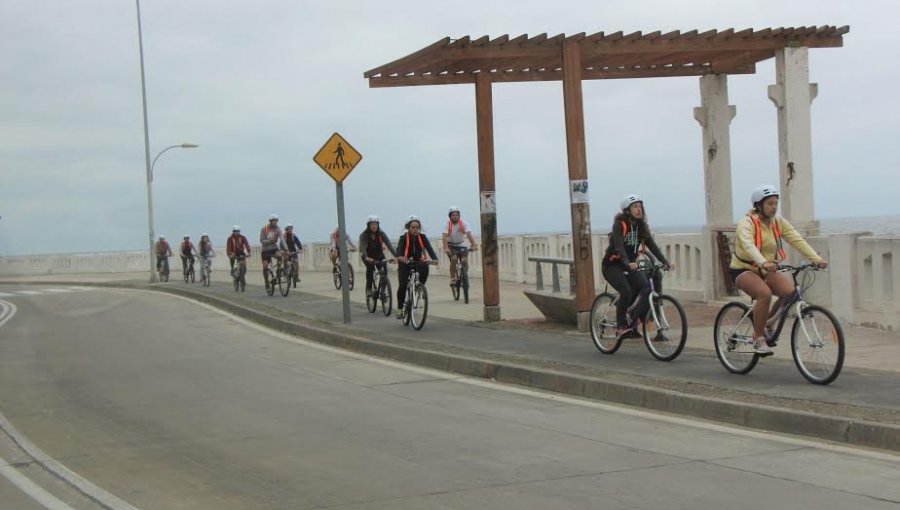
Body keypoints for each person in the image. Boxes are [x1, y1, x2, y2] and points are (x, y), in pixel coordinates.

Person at [730, 185, 828, 355]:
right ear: (758, 205)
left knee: (790, 294)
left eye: (776, 203)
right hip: (743, 269)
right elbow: (748, 244)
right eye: (769, 203)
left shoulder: (778, 222)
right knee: (764, 294)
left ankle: (767, 322)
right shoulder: (746, 223)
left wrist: (816, 259)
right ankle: (758, 339)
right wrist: (763, 262)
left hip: (766, 268)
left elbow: (796, 239)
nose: (774, 207)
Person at [601, 194, 674, 338]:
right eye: (635, 207)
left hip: (632, 265)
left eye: (640, 206)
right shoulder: (620, 224)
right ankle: (621, 325)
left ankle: (635, 318)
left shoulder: (641, 227)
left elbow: (652, 246)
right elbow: (620, 247)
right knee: (626, 291)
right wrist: (627, 263)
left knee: (646, 286)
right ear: (627, 210)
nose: (639, 209)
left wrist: (665, 262)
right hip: (613, 265)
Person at [395, 217, 439, 318]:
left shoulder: (422, 237)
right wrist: (400, 257)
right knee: (403, 285)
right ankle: (400, 308)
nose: (415, 229)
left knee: (425, 266)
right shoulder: (403, 237)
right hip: (404, 262)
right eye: (413, 227)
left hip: (417, 260)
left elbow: (429, 248)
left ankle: (420, 287)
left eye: (417, 227)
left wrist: (435, 259)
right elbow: (399, 250)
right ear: (408, 228)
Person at [358, 215, 397, 297]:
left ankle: (382, 290)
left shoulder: (381, 233)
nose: (374, 226)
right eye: (372, 224)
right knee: (370, 268)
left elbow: (389, 245)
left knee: (384, 271)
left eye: (376, 224)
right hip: (368, 256)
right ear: (368, 225)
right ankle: (369, 288)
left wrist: (397, 256)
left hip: (379, 255)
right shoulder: (364, 235)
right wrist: (366, 257)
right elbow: (363, 247)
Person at [442, 206, 478, 286]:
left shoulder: (463, 223)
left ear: (459, 216)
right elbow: (444, 236)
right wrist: (446, 248)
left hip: (461, 244)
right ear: (450, 216)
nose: (455, 217)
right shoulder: (447, 224)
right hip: (451, 245)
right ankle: (453, 278)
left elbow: (468, 234)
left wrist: (473, 244)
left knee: (464, 260)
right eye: (453, 215)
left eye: (456, 215)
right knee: (454, 259)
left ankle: (464, 275)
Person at [259, 214, 283, 290]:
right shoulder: (264, 229)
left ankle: (279, 271)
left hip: (274, 249)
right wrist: (270, 241)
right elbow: (262, 241)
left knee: (280, 256)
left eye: (276, 221)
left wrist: (286, 249)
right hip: (265, 250)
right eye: (274, 221)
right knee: (265, 267)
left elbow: (282, 239)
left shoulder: (278, 229)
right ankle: (266, 281)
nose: (276, 222)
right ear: (270, 221)